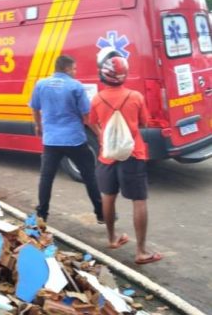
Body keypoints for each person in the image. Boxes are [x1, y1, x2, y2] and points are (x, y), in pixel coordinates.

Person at [89, 49, 162, 264]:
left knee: (108, 198)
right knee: (139, 201)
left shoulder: (97, 99)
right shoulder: (135, 97)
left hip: (107, 155)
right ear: (124, 75)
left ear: (104, 75)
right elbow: (144, 123)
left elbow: (92, 122)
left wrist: (103, 134)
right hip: (133, 153)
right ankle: (140, 251)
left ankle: (112, 239)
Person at [29, 55, 103, 223]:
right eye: (74, 69)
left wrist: (38, 125)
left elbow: (35, 108)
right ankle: (101, 213)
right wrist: (99, 133)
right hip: (74, 140)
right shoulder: (75, 86)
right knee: (89, 176)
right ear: (67, 69)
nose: (76, 72)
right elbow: (86, 116)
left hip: (51, 141)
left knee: (46, 178)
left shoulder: (40, 85)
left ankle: (42, 214)